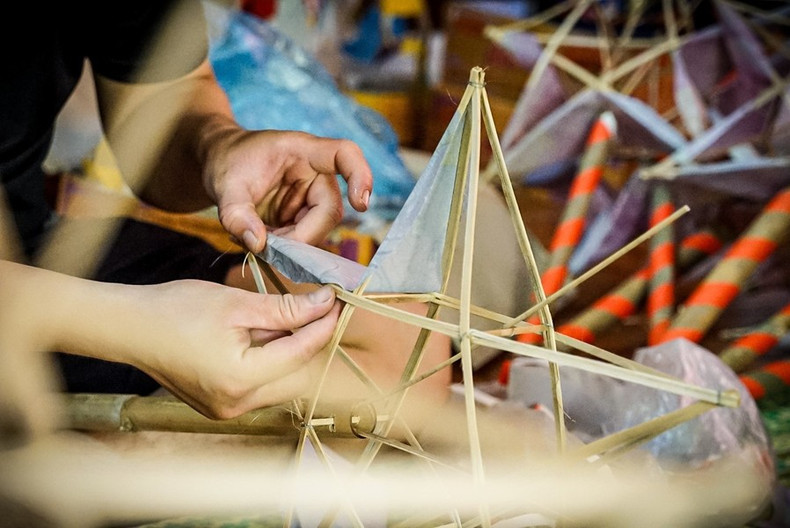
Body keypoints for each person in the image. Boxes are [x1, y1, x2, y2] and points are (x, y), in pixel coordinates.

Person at [0, 1, 382, 432]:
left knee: (393, 336)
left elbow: (159, 94)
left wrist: (219, 144)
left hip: (33, 251)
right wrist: (129, 325)